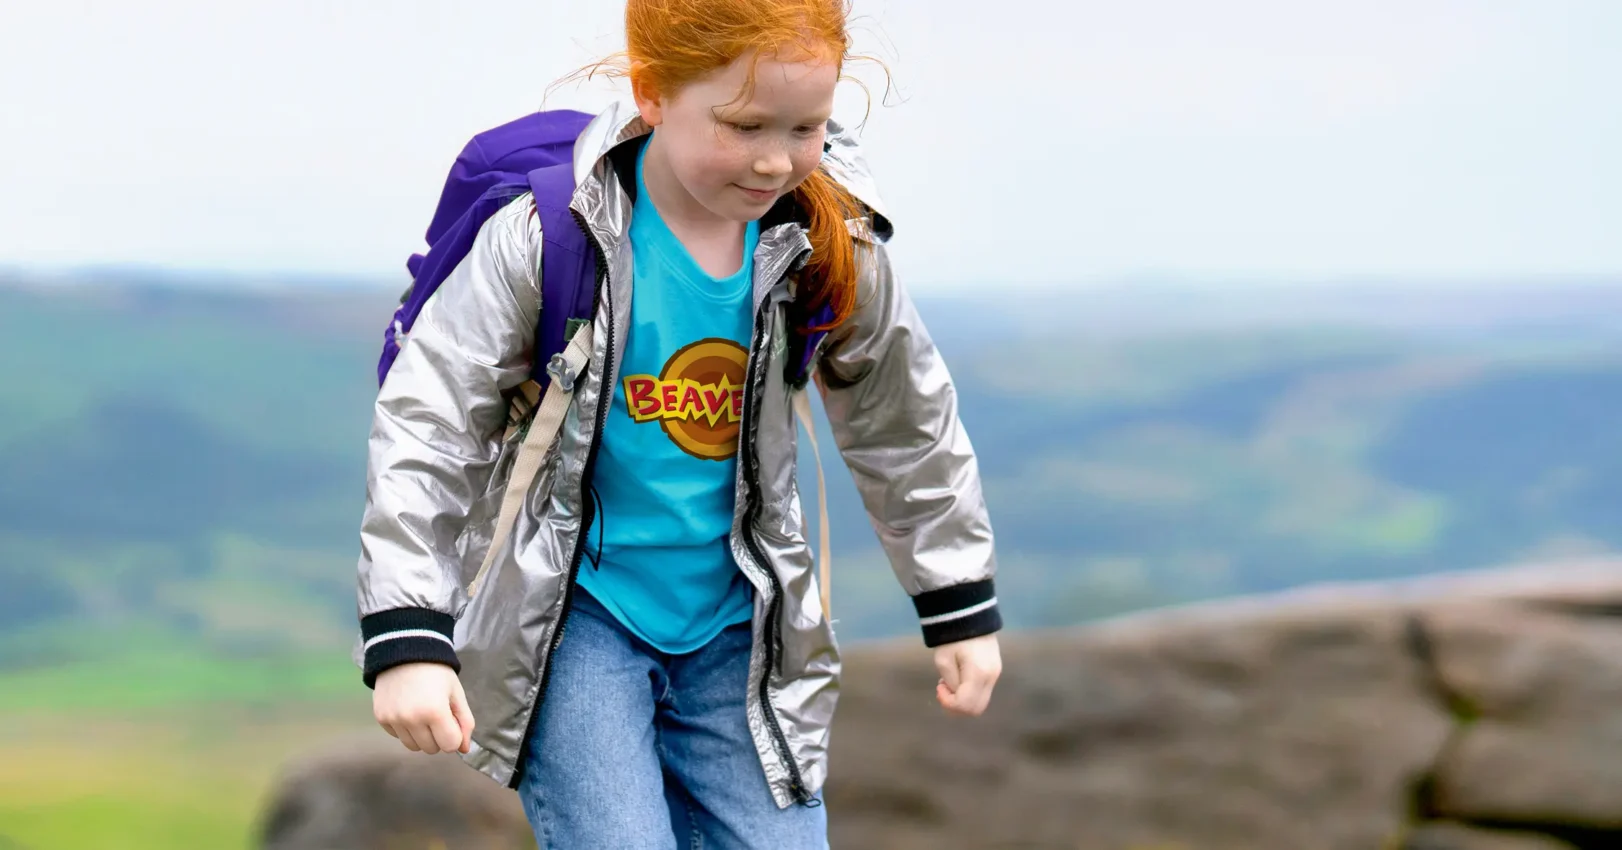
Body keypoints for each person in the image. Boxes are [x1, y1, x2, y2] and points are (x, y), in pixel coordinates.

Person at [355, 0, 1003, 846]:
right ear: (653, 94)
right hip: (576, 619)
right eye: (742, 125)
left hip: (741, 626)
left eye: (807, 126)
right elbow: (429, 421)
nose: (776, 159)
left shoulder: (824, 241)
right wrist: (408, 636)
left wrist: (956, 599)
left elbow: (904, 416)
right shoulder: (552, 238)